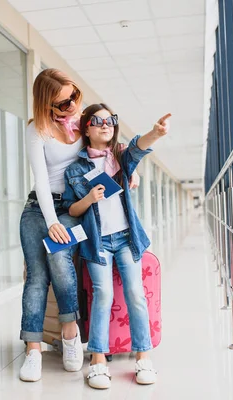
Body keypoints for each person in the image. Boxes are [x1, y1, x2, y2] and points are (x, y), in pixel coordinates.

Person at [19, 70, 140, 382]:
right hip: (40, 207)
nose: (71, 105)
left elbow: (107, 148)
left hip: (74, 207)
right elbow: (42, 182)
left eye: (74, 96)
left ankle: (70, 333)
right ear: (47, 104)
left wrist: (130, 168)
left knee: (60, 259)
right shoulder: (37, 130)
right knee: (36, 275)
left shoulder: (81, 125)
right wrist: (50, 222)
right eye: (62, 103)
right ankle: (33, 350)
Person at [62, 103, 171, 389]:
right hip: (98, 242)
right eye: (97, 121)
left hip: (126, 238)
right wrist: (89, 199)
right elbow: (71, 210)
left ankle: (143, 356)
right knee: (103, 294)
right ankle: (98, 359)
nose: (105, 124)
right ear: (86, 128)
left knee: (136, 292)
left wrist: (155, 133)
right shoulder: (75, 169)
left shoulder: (120, 158)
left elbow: (139, 147)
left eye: (110, 120)